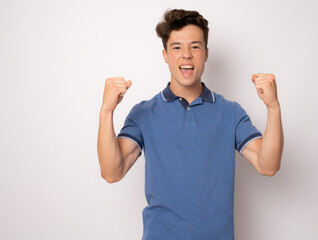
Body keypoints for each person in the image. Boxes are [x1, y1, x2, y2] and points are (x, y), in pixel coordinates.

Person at [97, 8, 284, 240]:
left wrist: (273, 108)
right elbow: (111, 172)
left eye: (194, 46)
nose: (186, 54)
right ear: (165, 55)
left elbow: (268, 166)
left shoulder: (230, 112)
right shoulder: (144, 113)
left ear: (205, 54)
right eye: (177, 47)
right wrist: (107, 111)